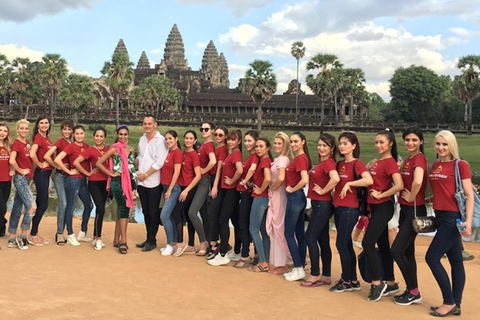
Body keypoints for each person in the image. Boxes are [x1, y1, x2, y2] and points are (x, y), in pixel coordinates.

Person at [426, 130, 473, 317]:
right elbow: (442, 192)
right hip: (439, 216)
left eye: (445, 144)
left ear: (451, 145)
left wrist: (467, 222)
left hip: (453, 219)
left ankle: (449, 301)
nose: (441, 147)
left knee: (432, 258)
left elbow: (468, 195)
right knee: (456, 261)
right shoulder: (436, 165)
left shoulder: (460, 165)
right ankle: (456, 304)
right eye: (438, 144)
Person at [363, 129, 404, 302]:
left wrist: (382, 194)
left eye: (382, 142)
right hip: (376, 208)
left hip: (383, 207)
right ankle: (391, 281)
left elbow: (399, 184)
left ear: (390, 144)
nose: (378, 145)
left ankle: (376, 282)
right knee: (383, 245)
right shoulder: (378, 162)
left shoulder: (390, 162)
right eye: (376, 142)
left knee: (367, 243)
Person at [329, 132, 373, 293]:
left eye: (346, 143)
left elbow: (369, 180)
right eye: (340, 143)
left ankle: (346, 279)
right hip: (338, 207)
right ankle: (352, 279)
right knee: (346, 243)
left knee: (341, 244)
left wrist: (350, 184)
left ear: (354, 146)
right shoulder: (340, 164)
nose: (342, 146)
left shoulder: (357, 164)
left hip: (350, 209)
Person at [390, 127, 427, 305]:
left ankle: (413, 290)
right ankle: (413, 290)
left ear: (421, 142)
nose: (410, 143)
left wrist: (412, 196)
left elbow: (418, 180)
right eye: (407, 140)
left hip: (413, 210)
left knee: (396, 250)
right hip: (406, 209)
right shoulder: (408, 160)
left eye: (414, 140)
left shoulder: (419, 159)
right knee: (408, 252)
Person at [302, 133, 339, 287]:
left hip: (322, 205)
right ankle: (326, 275)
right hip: (320, 204)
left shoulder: (328, 163)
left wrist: (323, 191)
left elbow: (335, 179)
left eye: (325, 146)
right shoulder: (322, 163)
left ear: (331, 149)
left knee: (309, 238)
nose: (321, 148)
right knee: (323, 241)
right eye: (320, 145)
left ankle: (315, 273)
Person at [96, 125, 135, 254]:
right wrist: (111, 173)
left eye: (125, 134)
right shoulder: (114, 149)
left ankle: (116, 239)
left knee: (121, 208)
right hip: (117, 182)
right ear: (117, 135)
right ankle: (123, 240)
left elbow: (131, 168)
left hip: (128, 182)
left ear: (128, 135)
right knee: (124, 207)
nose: (123, 136)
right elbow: (99, 162)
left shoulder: (131, 149)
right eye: (121, 134)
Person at [208, 130, 243, 266]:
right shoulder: (231, 154)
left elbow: (239, 170)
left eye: (233, 140)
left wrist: (231, 181)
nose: (230, 142)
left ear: (238, 141)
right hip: (227, 190)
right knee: (234, 220)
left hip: (231, 191)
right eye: (229, 139)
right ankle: (237, 251)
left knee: (223, 220)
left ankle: (223, 253)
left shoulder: (235, 154)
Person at [54, 125, 93, 246]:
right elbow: (57, 159)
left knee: (89, 205)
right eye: (77, 134)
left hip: (83, 181)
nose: (79, 135)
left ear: (84, 134)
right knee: (70, 207)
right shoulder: (71, 146)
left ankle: (83, 232)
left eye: (81, 133)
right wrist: (69, 171)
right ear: (74, 135)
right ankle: (70, 234)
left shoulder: (86, 146)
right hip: (73, 180)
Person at [73, 127, 110, 251]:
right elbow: (77, 162)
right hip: (94, 183)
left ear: (104, 138)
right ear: (93, 137)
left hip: (106, 183)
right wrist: (88, 173)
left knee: (101, 210)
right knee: (100, 208)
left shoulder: (108, 149)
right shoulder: (90, 150)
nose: (99, 138)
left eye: (101, 136)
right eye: (97, 136)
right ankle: (98, 238)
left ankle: (95, 236)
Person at [136, 115, 168, 252]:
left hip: (153, 181)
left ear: (155, 124)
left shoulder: (160, 141)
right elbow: (141, 156)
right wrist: (134, 162)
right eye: (145, 124)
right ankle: (149, 238)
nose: (147, 126)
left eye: (150, 124)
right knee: (145, 211)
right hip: (141, 182)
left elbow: (160, 162)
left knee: (153, 211)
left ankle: (151, 239)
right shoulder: (142, 139)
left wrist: (146, 174)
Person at [284, 131, 310, 281]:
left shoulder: (301, 159)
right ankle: (300, 264)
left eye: (296, 141)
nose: (293, 144)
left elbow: (304, 179)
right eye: (292, 142)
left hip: (295, 197)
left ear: (303, 142)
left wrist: (292, 188)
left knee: (288, 233)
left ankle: (298, 267)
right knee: (299, 233)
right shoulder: (300, 158)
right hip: (298, 198)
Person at [187, 122, 216, 256]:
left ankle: (203, 241)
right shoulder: (203, 145)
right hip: (199, 181)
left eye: (206, 129)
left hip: (203, 181)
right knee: (204, 213)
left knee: (192, 212)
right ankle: (210, 242)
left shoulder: (209, 145)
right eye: (202, 129)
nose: (203, 131)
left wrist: (204, 170)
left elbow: (213, 161)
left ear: (212, 131)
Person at [44, 120, 75, 245]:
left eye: (69, 129)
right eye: (64, 129)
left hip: (70, 178)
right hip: (60, 177)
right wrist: (57, 166)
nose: (67, 131)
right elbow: (47, 156)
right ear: (61, 130)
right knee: (63, 203)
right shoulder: (59, 142)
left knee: (69, 205)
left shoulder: (72, 143)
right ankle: (60, 233)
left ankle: (67, 231)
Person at [172, 130, 202, 257]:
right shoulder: (183, 153)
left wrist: (186, 190)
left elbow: (198, 175)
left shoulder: (194, 155)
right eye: (186, 138)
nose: (188, 140)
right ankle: (190, 244)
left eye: (191, 138)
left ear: (195, 141)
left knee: (176, 212)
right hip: (182, 187)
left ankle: (180, 242)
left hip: (189, 188)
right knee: (187, 215)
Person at [7, 119, 36, 250]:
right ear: (17, 130)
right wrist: (20, 171)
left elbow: (28, 161)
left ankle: (12, 237)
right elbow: (12, 160)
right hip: (20, 179)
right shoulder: (17, 144)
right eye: (22, 128)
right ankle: (23, 235)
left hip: (27, 179)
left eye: (26, 128)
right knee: (32, 207)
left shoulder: (27, 143)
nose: (24, 130)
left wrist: (30, 178)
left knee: (17, 207)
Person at [266, 132, 292, 275]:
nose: (276, 146)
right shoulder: (280, 159)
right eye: (275, 143)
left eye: (279, 143)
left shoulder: (282, 160)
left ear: (285, 145)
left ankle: (284, 262)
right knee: (276, 227)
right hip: (277, 194)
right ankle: (279, 262)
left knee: (278, 227)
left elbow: (281, 178)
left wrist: (272, 187)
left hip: (279, 194)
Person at [233, 130, 260, 268]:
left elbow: (253, 169)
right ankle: (255, 253)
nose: (247, 143)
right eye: (246, 141)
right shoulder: (249, 156)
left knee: (245, 224)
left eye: (250, 141)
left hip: (248, 194)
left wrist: (245, 180)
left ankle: (245, 255)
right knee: (248, 224)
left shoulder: (254, 156)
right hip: (245, 193)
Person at [247, 137, 272, 272]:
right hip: (264, 198)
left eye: (261, 146)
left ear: (267, 148)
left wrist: (260, 190)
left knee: (253, 229)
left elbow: (268, 178)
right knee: (263, 231)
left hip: (260, 198)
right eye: (256, 146)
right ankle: (265, 259)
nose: (258, 149)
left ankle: (263, 262)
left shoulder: (265, 162)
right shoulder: (264, 160)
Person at [29, 116, 53, 246]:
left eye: (46, 123)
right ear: (37, 125)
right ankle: (32, 234)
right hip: (42, 173)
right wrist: (40, 164)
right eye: (41, 123)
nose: (44, 125)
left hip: (46, 174)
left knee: (40, 203)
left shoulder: (46, 138)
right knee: (43, 204)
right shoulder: (39, 137)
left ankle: (34, 232)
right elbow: (33, 154)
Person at [159, 130, 182, 256]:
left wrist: (169, 190)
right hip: (165, 187)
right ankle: (172, 242)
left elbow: (177, 172)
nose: (168, 141)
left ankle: (170, 243)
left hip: (173, 188)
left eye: (170, 139)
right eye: (166, 139)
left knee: (164, 216)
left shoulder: (177, 153)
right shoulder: (169, 152)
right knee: (170, 216)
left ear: (176, 139)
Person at [207, 125, 229, 259]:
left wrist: (215, 186)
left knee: (213, 213)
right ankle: (215, 241)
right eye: (216, 135)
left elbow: (219, 169)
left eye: (220, 135)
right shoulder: (218, 148)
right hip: (213, 180)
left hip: (218, 182)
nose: (217, 137)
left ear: (225, 136)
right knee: (213, 213)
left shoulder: (223, 149)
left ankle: (215, 243)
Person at [0, 122, 13, 240]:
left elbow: (14, 161)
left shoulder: (9, 146)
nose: (2, 133)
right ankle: (2, 223)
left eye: (4, 131)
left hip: (7, 180)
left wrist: (13, 169)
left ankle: (2, 225)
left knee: (3, 205)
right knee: (1, 207)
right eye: (0, 130)